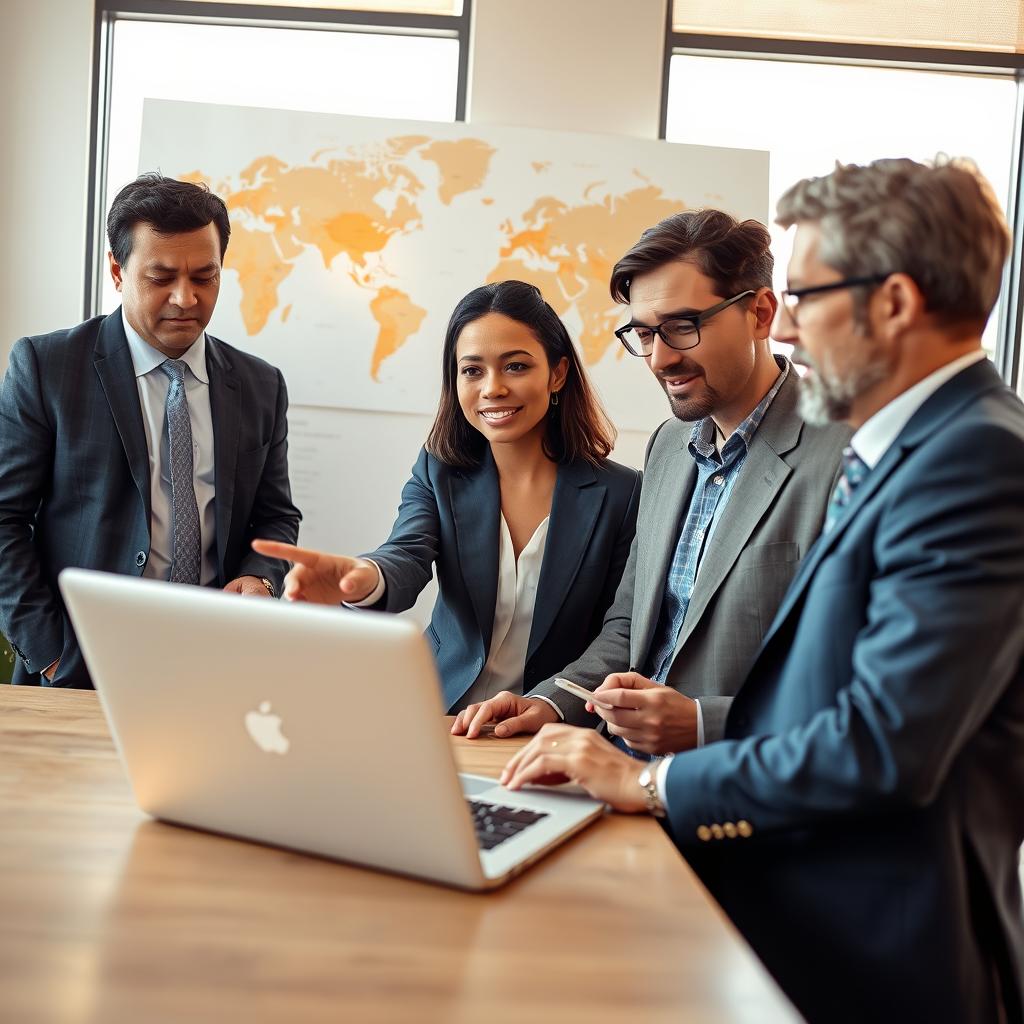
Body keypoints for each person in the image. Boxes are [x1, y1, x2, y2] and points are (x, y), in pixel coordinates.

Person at [500, 158, 1024, 1023]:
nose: (791, 333)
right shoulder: (910, 442)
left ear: (891, 302)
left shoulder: (975, 459)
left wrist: (656, 783)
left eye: (808, 299)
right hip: (794, 900)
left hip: (874, 944)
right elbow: (824, 694)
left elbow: (881, 745)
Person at [452, 210, 848, 752]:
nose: (661, 358)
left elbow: (855, 683)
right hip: (618, 766)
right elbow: (629, 623)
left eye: (684, 327)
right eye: (643, 334)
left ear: (760, 313)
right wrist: (549, 703)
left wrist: (704, 723)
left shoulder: (845, 454)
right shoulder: (669, 447)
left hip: (735, 784)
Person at [254, 281, 640, 713]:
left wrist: (551, 703)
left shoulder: (622, 495)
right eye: (473, 370)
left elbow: (619, 630)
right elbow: (406, 553)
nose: (492, 388)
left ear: (557, 373)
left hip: (549, 726)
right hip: (434, 709)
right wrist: (363, 578)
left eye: (515, 366)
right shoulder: (440, 469)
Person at [0, 173, 301, 689]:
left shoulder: (260, 384)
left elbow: (274, 514)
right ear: (117, 272)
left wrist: (259, 578)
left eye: (205, 277)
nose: (186, 299)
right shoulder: (48, 367)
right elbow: (5, 519)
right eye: (161, 278)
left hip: (216, 665)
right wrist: (50, 652)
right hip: (82, 663)